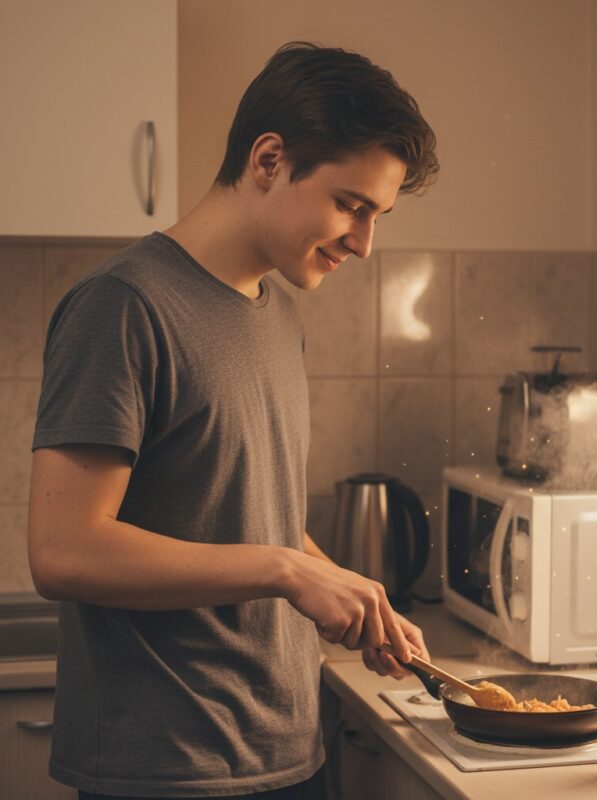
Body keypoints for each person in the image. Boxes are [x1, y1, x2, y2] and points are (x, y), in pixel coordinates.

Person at [27, 41, 439, 800]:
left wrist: (344, 586)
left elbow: (254, 513)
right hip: (167, 769)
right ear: (269, 159)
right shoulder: (123, 306)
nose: (364, 241)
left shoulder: (277, 313)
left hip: (288, 748)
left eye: (376, 215)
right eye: (352, 205)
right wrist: (286, 572)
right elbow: (63, 551)